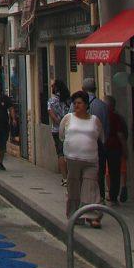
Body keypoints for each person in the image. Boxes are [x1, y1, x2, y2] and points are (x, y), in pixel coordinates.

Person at [59, 90, 103, 228]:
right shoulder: (68, 118)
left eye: (79, 103)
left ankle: (92, 216)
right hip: (72, 159)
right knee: (73, 187)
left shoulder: (94, 120)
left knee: (90, 188)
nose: (76, 105)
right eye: (75, 103)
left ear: (86, 105)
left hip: (90, 160)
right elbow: (61, 135)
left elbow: (100, 136)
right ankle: (74, 214)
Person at [102, 95, 128, 205]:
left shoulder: (103, 116)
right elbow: (121, 134)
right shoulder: (117, 117)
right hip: (114, 147)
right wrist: (125, 148)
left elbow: (120, 134)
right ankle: (113, 197)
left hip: (105, 146)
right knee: (114, 173)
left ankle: (103, 196)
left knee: (104, 172)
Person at [47, 80, 70, 184]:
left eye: (52, 86)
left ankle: (65, 178)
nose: (51, 87)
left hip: (57, 130)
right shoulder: (69, 100)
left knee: (60, 153)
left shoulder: (51, 101)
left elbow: (52, 116)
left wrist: (60, 125)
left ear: (56, 88)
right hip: (69, 129)